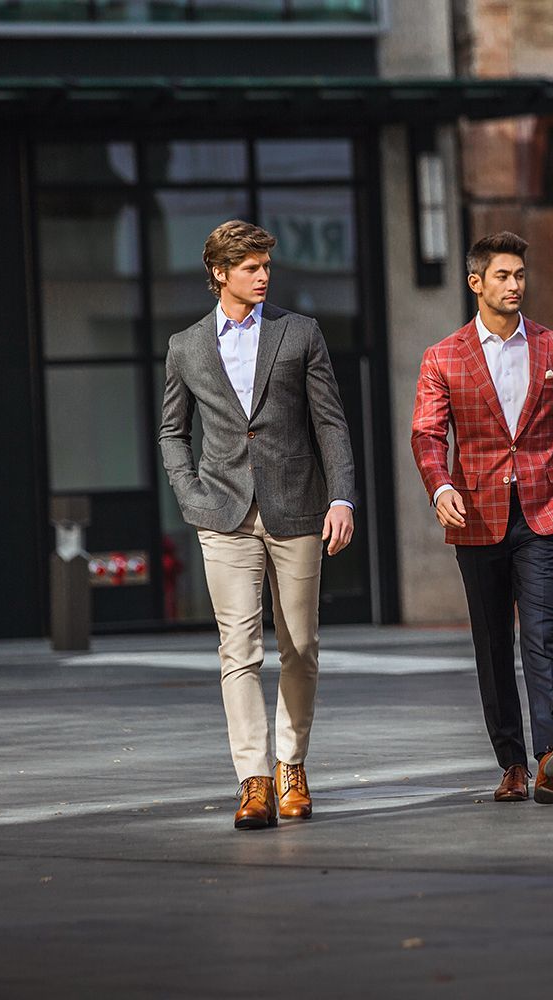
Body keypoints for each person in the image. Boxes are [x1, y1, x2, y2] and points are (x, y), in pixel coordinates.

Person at [159, 220, 357, 830]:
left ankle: (292, 764)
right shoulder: (186, 346)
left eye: (266, 265)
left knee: (300, 647)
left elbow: (330, 423)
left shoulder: (299, 333)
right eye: (250, 267)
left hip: (297, 508)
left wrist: (342, 498)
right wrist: (192, 496)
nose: (263, 275)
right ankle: (254, 781)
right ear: (219, 272)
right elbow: (172, 432)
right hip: (224, 515)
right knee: (237, 649)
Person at [410, 231, 553, 805]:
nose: (515, 285)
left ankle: (549, 757)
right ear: (476, 283)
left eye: (520, 275)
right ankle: (511, 762)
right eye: (503, 276)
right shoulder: (443, 356)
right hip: (478, 519)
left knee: (543, 636)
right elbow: (426, 433)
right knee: (493, 644)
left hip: (545, 513)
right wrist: (440, 485)